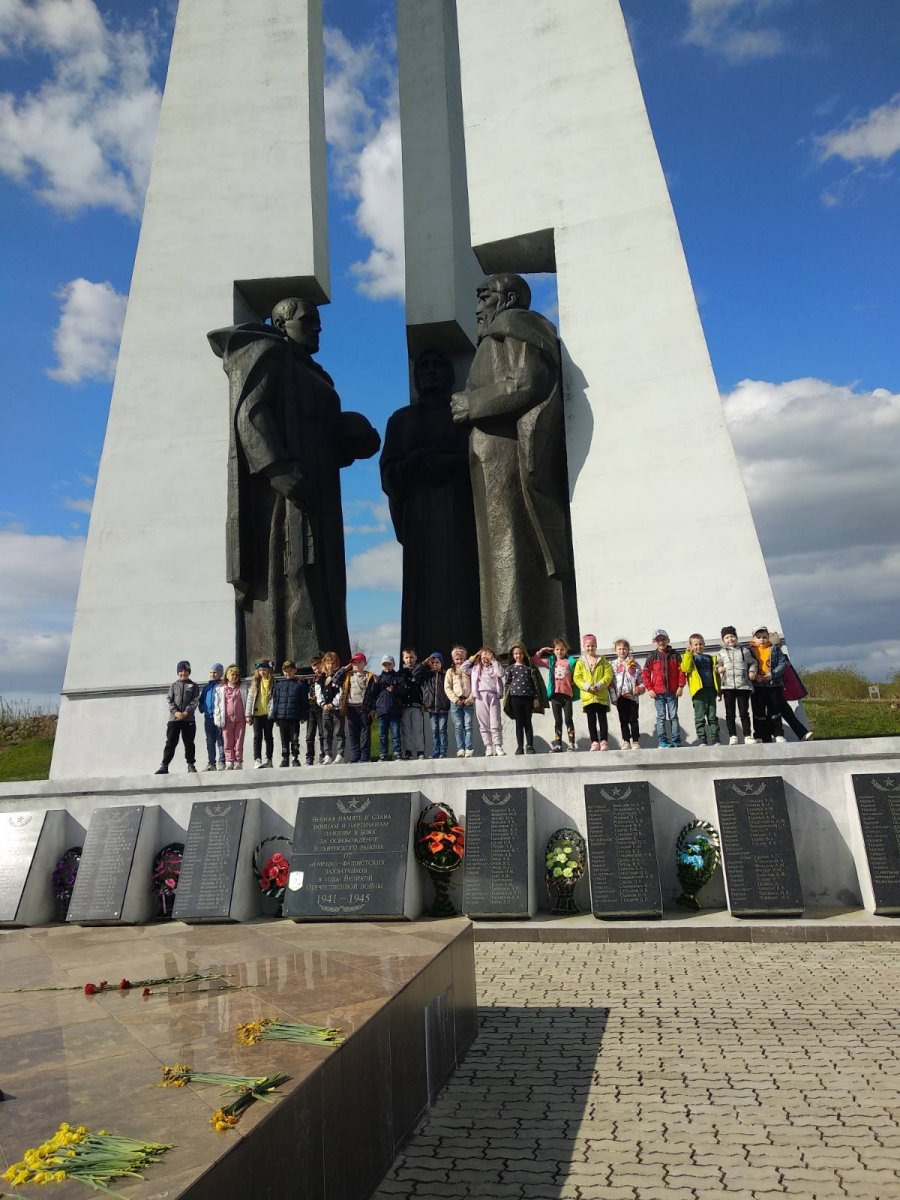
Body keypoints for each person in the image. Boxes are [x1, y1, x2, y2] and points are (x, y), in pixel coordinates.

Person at [208, 299, 380, 672]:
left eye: (318, 321)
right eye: (308, 320)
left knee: (326, 575)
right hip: (288, 490)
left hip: (321, 487)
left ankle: (328, 661)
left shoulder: (315, 372)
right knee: (296, 567)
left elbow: (317, 427)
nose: (318, 327)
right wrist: (277, 467)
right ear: (282, 323)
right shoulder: (270, 352)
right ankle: (298, 663)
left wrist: (351, 436)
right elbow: (250, 412)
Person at [450, 273, 577, 652]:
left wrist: (475, 403)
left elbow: (528, 382)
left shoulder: (515, 322)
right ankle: (504, 643)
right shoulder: (498, 332)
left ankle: (518, 645)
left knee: (512, 549)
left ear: (505, 299)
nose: (477, 307)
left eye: (483, 295)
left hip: (506, 457)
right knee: (498, 554)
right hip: (491, 457)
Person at [380, 348, 481, 656]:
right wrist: (413, 465)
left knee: (463, 587)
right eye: (424, 365)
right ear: (415, 377)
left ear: (451, 375)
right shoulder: (401, 420)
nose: (431, 370)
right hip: (419, 516)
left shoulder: (465, 415)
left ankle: (470, 656)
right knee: (421, 594)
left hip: (459, 513)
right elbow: (388, 472)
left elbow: (480, 459)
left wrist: (450, 463)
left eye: (439, 363)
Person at [533, 638, 579, 752]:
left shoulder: (571, 662)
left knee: (568, 719)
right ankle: (558, 744)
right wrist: (542, 650)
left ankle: (571, 744)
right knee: (558, 721)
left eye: (562, 649)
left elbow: (577, 674)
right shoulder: (552, 662)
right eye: (557, 649)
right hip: (555, 696)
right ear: (554, 650)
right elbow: (535, 660)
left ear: (566, 650)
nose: (559, 652)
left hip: (567, 695)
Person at [642, 629, 686, 748]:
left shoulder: (675, 655)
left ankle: (676, 740)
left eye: (663, 639)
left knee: (673, 716)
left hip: (673, 691)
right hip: (658, 693)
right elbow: (645, 674)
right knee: (661, 717)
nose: (661, 642)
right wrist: (649, 688)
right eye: (658, 640)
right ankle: (663, 741)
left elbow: (682, 671)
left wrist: (681, 686)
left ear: (668, 640)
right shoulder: (651, 657)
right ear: (654, 642)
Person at [155, 660, 200, 774]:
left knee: (189, 743)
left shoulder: (194, 686)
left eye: (185, 671)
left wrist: (186, 712)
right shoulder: (173, 686)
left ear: (189, 672)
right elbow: (169, 700)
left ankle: (191, 765)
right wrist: (176, 712)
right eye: (180, 671)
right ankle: (164, 765)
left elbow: (195, 700)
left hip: (188, 719)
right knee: (171, 742)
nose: (182, 673)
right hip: (174, 720)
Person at [716, 626, 757, 745]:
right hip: (727, 686)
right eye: (727, 637)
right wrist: (719, 669)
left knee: (744, 712)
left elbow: (753, 662)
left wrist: (752, 671)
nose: (730, 639)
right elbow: (717, 665)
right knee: (730, 713)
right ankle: (733, 736)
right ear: (723, 640)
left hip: (743, 686)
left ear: (736, 637)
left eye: (732, 636)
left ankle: (747, 735)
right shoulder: (721, 652)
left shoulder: (744, 651)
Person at [573, 634, 614, 751]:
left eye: (592, 646)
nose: (590, 648)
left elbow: (608, 675)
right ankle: (594, 741)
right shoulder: (580, 662)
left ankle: (604, 741)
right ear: (584, 647)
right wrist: (587, 687)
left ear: (596, 646)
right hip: (588, 696)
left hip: (601, 695)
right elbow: (577, 677)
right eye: (588, 646)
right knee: (591, 720)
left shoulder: (602, 660)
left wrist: (599, 685)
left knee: (602, 719)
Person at [504, 642, 546, 754]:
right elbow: (507, 685)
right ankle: (520, 747)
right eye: (516, 654)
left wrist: (536, 698)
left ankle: (530, 746)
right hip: (515, 698)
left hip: (528, 698)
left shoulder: (529, 668)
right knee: (519, 723)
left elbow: (534, 684)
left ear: (524, 654)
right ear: (513, 655)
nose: (518, 656)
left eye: (520, 653)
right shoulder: (510, 668)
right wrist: (506, 700)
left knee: (528, 722)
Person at [681, 634, 721, 746]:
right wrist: (688, 653)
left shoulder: (710, 658)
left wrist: (719, 691)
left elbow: (716, 676)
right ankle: (702, 738)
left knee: (712, 716)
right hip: (698, 692)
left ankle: (715, 738)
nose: (699, 646)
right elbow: (686, 668)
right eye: (696, 644)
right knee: (700, 716)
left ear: (704, 644)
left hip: (711, 690)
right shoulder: (689, 657)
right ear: (691, 646)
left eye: (701, 644)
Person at [749, 624, 787, 743]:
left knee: (775, 710)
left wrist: (772, 674)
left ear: (768, 636)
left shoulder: (774, 648)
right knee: (758, 712)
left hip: (773, 684)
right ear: (754, 638)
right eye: (759, 637)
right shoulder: (749, 651)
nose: (762, 639)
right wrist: (755, 676)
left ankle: (778, 733)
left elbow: (782, 663)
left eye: (764, 636)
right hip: (758, 685)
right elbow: (747, 666)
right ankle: (760, 735)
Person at [466, 647, 506, 756]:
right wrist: (474, 656)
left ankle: (498, 746)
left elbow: (501, 673)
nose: (485, 657)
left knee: (495, 722)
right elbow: (463, 668)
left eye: (487, 655)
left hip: (493, 696)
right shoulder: (475, 668)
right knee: (483, 723)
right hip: (480, 697)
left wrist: (493, 660)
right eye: (483, 655)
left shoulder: (495, 667)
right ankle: (488, 746)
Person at [339, 653, 376, 763]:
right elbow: (335, 679)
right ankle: (355, 755)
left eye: (359, 662)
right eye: (354, 662)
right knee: (353, 733)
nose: (357, 664)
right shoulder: (348, 675)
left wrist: (372, 709)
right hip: (350, 707)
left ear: (365, 663)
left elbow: (373, 694)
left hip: (364, 708)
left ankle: (365, 756)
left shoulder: (369, 676)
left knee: (365, 733)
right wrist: (345, 668)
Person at [272, 660, 309, 767]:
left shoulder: (300, 685)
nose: (288, 673)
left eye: (290, 670)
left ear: (295, 671)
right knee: (284, 739)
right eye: (286, 671)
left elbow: (304, 702)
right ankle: (285, 758)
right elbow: (275, 701)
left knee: (295, 738)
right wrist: (275, 716)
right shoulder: (278, 685)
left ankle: (295, 758)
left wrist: (303, 715)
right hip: (282, 716)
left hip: (294, 717)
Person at [609, 638, 643, 750]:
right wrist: (614, 698)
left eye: (624, 649)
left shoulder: (634, 664)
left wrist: (637, 690)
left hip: (632, 697)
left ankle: (636, 741)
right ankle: (626, 741)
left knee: (633, 719)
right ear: (615, 650)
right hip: (620, 697)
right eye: (619, 649)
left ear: (628, 650)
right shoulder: (612, 665)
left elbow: (641, 681)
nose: (622, 651)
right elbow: (611, 683)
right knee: (623, 720)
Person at [214, 664, 248, 769]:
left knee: (239, 740)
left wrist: (248, 715)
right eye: (232, 675)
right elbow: (217, 705)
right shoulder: (221, 689)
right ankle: (229, 760)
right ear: (228, 676)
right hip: (227, 719)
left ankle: (238, 761)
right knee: (228, 740)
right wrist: (218, 718)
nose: (234, 677)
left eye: (236, 675)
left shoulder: (242, 687)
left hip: (240, 719)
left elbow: (247, 701)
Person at [315, 651, 346, 765]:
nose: (330, 666)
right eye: (328, 663)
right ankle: (327, 755)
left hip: (336, 709)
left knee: (339, 732)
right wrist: (323, 704)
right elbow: (318, 693)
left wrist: (333, 704)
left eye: (333, 663)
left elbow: (341, 692)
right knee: (326, 734)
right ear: (324, 664)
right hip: (325, 709)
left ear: (336, 664)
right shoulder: (320, 678)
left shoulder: (339, 676)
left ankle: (340, 754)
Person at [444, 644, 475, 758]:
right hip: (456, 703)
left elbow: (475, 685)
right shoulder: (450, 671)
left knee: (468, 725)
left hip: (468, 701)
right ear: (453, 659)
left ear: (465, 658)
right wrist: (455, 699)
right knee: (458, 726)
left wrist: (471, 698)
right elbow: (447, 687)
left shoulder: (470, 671)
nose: (459, 661)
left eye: (461, 659)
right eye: (457, 659)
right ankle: (460, 748)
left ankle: (469, 748)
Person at [398, 647, 429, 760]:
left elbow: (424, 688)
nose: (409, 659)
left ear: (415, 657)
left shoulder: (420, 671)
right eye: (406, 657)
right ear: (403, 659)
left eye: (411, 657)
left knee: (418, 729)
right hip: (404, 705)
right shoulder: (400, 673)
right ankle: (408, 751)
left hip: (417, 704)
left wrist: (424, 703)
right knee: (406, 729)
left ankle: (420, 751)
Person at [374, 654, 404, 761]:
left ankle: (397, 753)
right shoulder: (378, 678)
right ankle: (383, 754)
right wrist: (375, 684)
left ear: (393, 665)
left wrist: (394, 690)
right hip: (382, 711)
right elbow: (373, 694)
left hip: (394, 710)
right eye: (384, 664)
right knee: (382, 735)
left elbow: (403, 691)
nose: (387, 666)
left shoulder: (398, 677)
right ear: (381, 666)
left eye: (389, 664)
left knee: (395, 734)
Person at [422, 652, 451, 759]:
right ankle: (436, 751)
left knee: (442, 729)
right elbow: (416, 673)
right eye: (432, 662)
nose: (435, 664)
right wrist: (425, 662)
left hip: (443, 706)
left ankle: (443, 752)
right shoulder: (427, 675)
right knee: (434, 730)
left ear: (441, 663)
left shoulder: (445, 674)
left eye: (437, 662)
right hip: (431, 707)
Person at [247, 660, 275, 768]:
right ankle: (257, 759)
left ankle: (269, 759)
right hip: (257, 714)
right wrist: (248, 714)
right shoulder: (255, 683)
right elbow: (250, 699)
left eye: (264, 670)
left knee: (268, 737)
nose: (262, 672)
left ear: (268, 670)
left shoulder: (273, 682)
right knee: (257, 737)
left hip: (268, 714)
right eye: (260, 670)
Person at [198, 663, 225, 771]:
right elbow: (201, 700)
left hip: (219, 718)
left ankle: (221, 762)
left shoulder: (222, 686)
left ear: (220, 673)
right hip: (208, 718)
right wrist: (203, 708)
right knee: (210, 741)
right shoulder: (207, 687)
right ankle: (211, 763)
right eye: (211, 672)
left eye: (215, 672)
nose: (212, 674)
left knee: (221, 740)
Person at [305, 652, 325, 765]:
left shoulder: (325, 677)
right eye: (314, 668)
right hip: (311, 708)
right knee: (309, 735)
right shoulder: (311, 679)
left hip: (321, 708)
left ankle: (323, 754)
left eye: (318, 667)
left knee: (323, 734)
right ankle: (309, 756)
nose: (316, 670)